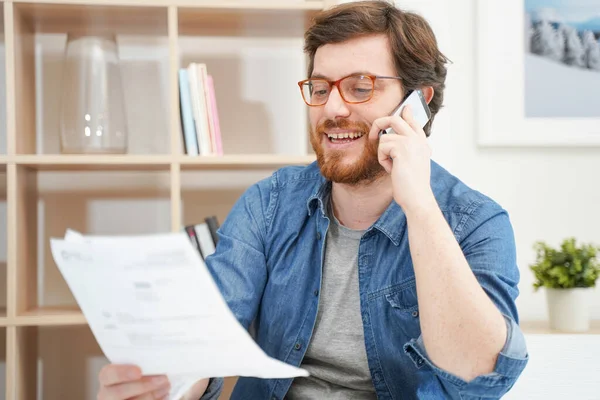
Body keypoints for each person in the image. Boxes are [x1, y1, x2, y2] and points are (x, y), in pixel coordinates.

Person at [96, 1, 529, 399]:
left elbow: (480, 373)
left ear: (417, 103)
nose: (333, 109)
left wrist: (419, 207)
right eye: (320, 88)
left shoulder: (474, 222)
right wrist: (164, 386)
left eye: (361, 87)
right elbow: (205, 339)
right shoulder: (268, 205)